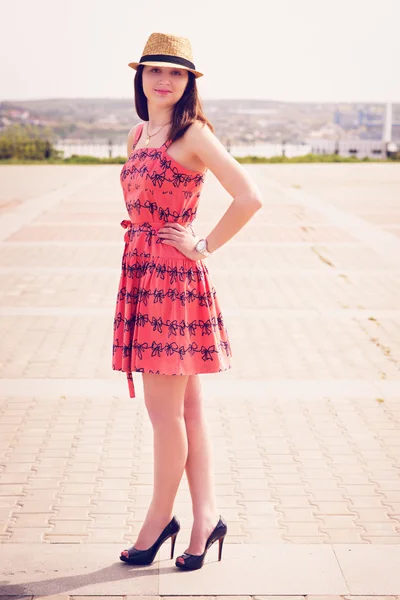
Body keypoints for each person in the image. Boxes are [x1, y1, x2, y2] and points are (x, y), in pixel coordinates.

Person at [113, 32, 263, 571]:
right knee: (188, 412)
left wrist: (202, 246)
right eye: (155, 70)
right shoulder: (140, 133)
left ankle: (159, 520)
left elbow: (249, 196)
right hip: (144, 273)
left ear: (188, 83)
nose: (164, 80)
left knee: (163, 416)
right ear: (141, 77)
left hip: (172, 282)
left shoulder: (193, 134)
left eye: (175, 73)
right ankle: (205, 518)